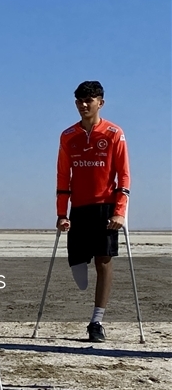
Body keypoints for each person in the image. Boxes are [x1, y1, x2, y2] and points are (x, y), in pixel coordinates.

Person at [56, 80, 130, 343]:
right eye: (79, 101)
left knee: (104, 261)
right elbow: (63, 176)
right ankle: (88, 295)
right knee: (78, 264)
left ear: (101, 102)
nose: (83, 105)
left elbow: (124, 176)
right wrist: (61, 214)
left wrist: (120, 211)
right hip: (79, 208)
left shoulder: (113, 133)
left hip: (106, 207)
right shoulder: (68, 136)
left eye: (89, 100)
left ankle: (96, 321)